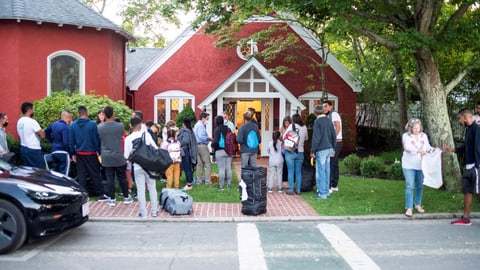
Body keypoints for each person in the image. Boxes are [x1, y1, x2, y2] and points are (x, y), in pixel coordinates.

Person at [444, 109, 480, 225]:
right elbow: (467, 147)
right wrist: (453, 150)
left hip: (476, 166)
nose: (460, 120)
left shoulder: (477, 129)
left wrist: (477, 166)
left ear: (465, 117)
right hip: (469, 166)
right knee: (467, 191)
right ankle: (465, 218)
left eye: (460, 118)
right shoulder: (468, 130)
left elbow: (478, 149)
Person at [97, 106, 133, 206]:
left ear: (104, 115)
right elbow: (121, 136)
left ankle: (112, 198)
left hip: (106, 156)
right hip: (118, 155)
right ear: (113, 114)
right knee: (122, 177)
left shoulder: (100, 127)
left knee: (110, 178)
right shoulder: (120, 126)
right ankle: (126, 197)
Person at [69, 105, 107, 200]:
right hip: (91, 153)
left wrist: (72, 153)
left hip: (79, 153)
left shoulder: (73, 125)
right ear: (87, 113)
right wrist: (99, 151)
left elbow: (70, 141)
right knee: (95, 174)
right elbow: (96, 139)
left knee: (81, 175)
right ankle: (100, 194)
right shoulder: (92, 124)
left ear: (78, 114)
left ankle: (82, 195)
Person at [124, 117, 159, 218]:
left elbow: (126, 156)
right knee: (152, 188)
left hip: (138, 166)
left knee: (140, 189)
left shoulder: (128, 139)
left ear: (130, 126)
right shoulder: (146, 135)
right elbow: (155, 148)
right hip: (149, 165)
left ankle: (143, 212)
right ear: (140, 125)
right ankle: (154, 211)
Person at [401, 118, 433, 217]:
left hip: (421, 165)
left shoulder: (424, 136)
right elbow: (407, 147)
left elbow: (427, 147)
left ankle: (418, 204)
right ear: (410, 128)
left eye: (418, 128)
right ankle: (409, 207)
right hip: (408, 165)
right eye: (415, 128)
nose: (417, 130)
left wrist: (433, 150)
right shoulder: (406, 136)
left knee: (420, 185)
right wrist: (418, 151)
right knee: (410, 185)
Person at [310, 105, 336, 199]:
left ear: (315, 113)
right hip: (329, 148)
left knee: (321, 171)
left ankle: (322, 193)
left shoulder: (317, 122)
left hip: (321, 149)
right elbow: (334, 135)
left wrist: (313, 150)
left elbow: (316, 137)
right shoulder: (329, 121)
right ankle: (326, 191)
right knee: (326, 170)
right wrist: (333, 148)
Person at [282, 113, 308, 195]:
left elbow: (284, 137)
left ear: (293, 119)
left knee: (290, 171)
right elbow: (306, 138)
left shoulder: (291, 126)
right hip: (300, 151)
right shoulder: (304, 127)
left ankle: (291, 189)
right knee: (298, 171)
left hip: (290, 151)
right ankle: (298, 190)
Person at [17, 101, 46, 168]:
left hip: (23, 148)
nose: (33, 111)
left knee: (28, 171)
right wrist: (42, 131)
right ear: (29, 110)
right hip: (33, 149)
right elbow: (43, 136)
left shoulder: (20, 121)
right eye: (33, 109)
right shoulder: (32, 121)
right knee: (40, 171)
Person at [323, 100, 343, 192]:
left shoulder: (334, 115)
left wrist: (332, 139)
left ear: (331, 106)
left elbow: (338, 127)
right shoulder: (329, 115)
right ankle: (334, 184)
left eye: (326, 106)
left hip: (336, 142)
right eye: (323, 106)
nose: (324, 108)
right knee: (334, 164)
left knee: (331, 163)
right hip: (336, 142)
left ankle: (330, 185)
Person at [45, 109, 73, 174]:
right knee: (64, 174)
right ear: (67, 117)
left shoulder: (54, 124)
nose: (71, 120)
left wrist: (52, 141)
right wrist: (70, 155)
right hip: (63, 152)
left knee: (55, 173)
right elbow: (66, 143)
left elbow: (46, 132)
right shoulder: (66, 127)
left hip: (54, 151)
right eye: (71, 117)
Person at [212, 115, 233, 190]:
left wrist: (212, 146)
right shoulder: (228, 129)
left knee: (221, 169)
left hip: (220, 151)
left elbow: (216, 141)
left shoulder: (217, 129)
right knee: (229, 169)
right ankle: (228, 185)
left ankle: (221, 186)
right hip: (229, 151)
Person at [178, 117, 198, 190]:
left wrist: (178, 142)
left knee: (186, 168)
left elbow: (185, 141)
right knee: (188, 167)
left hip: (185, 151)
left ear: (184, 123)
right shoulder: (190, 131)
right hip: (189, 151)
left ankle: (189, 184)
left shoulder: (186, 131)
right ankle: (190, 181)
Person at [193, 112, 212, 185]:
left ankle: (199, 181)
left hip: (197, 145)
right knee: (207, 164)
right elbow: (201, 136)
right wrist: (208, 138)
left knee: (199, 164)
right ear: (203, 118)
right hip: (202, 145)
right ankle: (208, 181)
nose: (207, 121)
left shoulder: (197, 125)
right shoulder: (201, 125)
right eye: (207, 119)